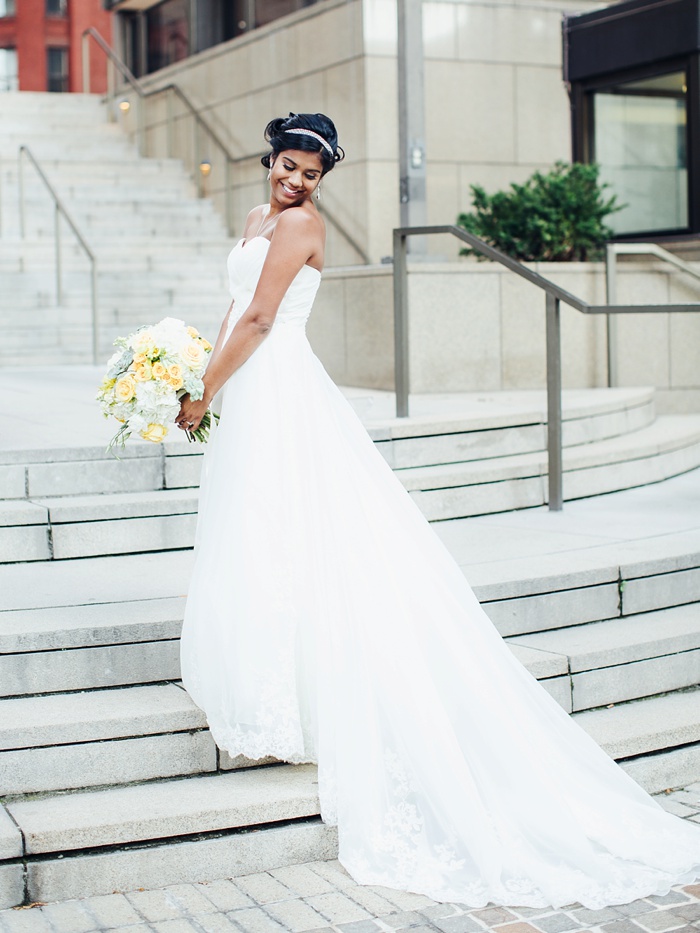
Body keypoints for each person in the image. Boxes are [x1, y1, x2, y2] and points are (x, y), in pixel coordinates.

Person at [177, 112, 700, 909]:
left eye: (311, 175)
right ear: (271, 159)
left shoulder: (301, 230)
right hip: (249, 391)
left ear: (322, 182)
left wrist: (207, 388)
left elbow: (259, 319)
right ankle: (272, 690)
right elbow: (232, 311)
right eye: (289, 167)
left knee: (295, 532)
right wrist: (201, 381)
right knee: (259, 534)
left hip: (282, 390)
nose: (296, 182)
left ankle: (307, 700)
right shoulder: (255, 219)